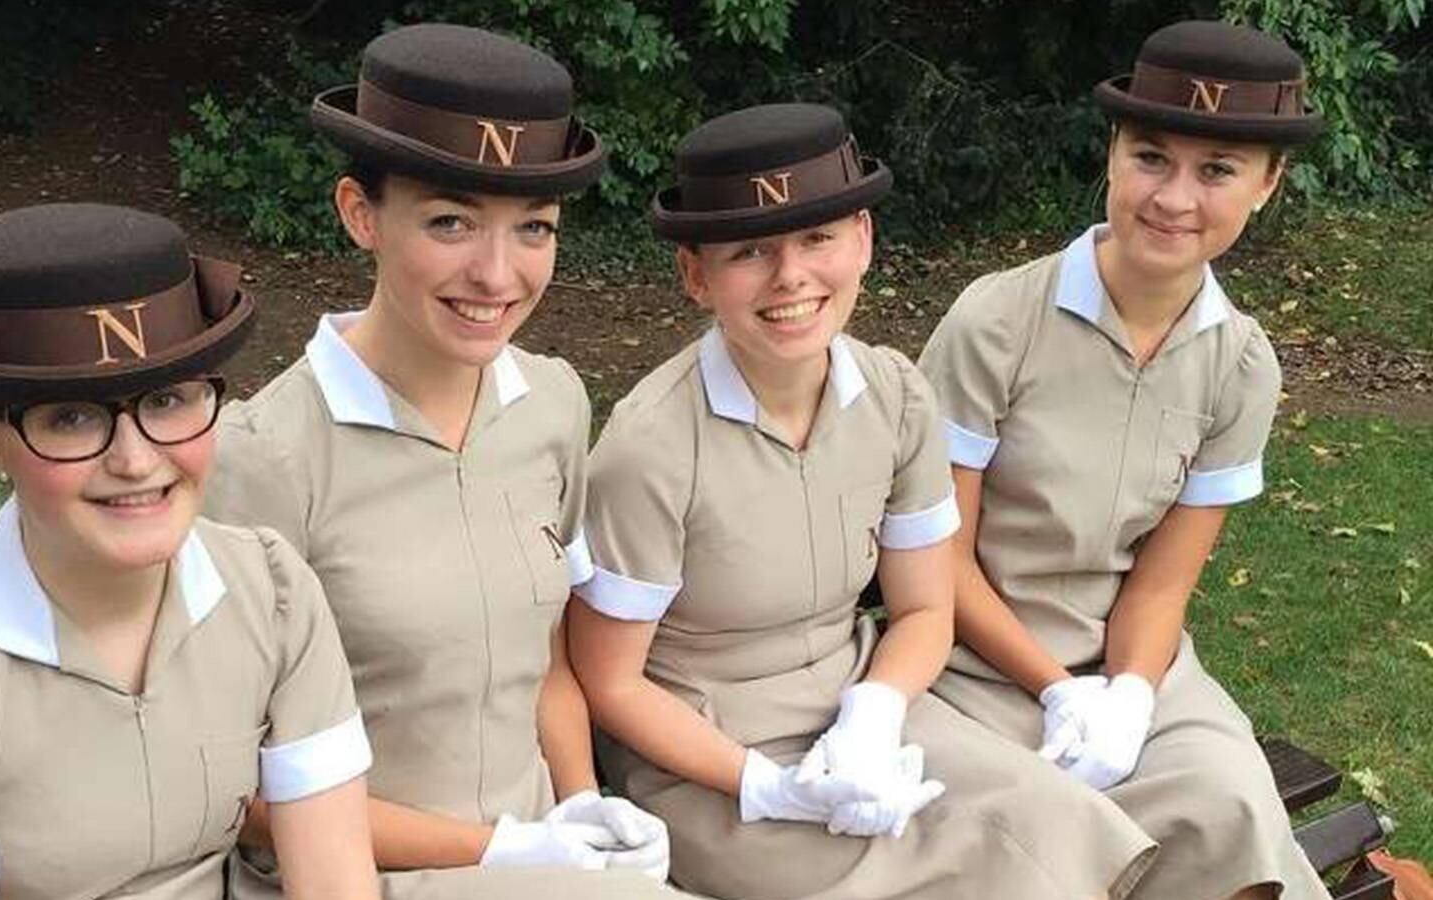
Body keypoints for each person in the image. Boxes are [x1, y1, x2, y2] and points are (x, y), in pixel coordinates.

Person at [566, 102, 1156, 900]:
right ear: (696, 275)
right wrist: (765, 785)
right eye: (749, 251)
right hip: (707, 755)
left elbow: (924, 609)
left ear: (864, 240)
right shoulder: (651, 449)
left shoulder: (896, 398)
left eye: (818, 238)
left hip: (863, 706)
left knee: (1051, 818)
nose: (790, 276)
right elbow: (611, 683)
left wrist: (874, 711)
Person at [204, 23, 682, 900]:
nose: (497, 274)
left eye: (533, 228)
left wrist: (579, 803)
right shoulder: (263, 458)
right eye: (451, 222)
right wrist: (501, 852)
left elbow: (545, 658)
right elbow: (232, 783)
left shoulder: (553, 405)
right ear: (361, 214)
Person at [0, 203, 379, 900]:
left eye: (168, 400)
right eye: (71, 417)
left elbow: (334, 881)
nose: (135, 459)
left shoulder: (271, 590)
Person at [917, 20, 1329, 900]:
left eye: (1217, 171)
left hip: (1135, 669)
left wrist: (1130, 697)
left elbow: (1160, 587)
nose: (1174, 197)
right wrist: (1057, 693)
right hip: (970, 673)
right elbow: (937, 560)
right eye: (1150, 157)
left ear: (1268, 184)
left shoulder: (1243, 365)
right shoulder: (997, 324)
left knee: (1232, 808)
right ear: (1112, 152)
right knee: (1043, 846)